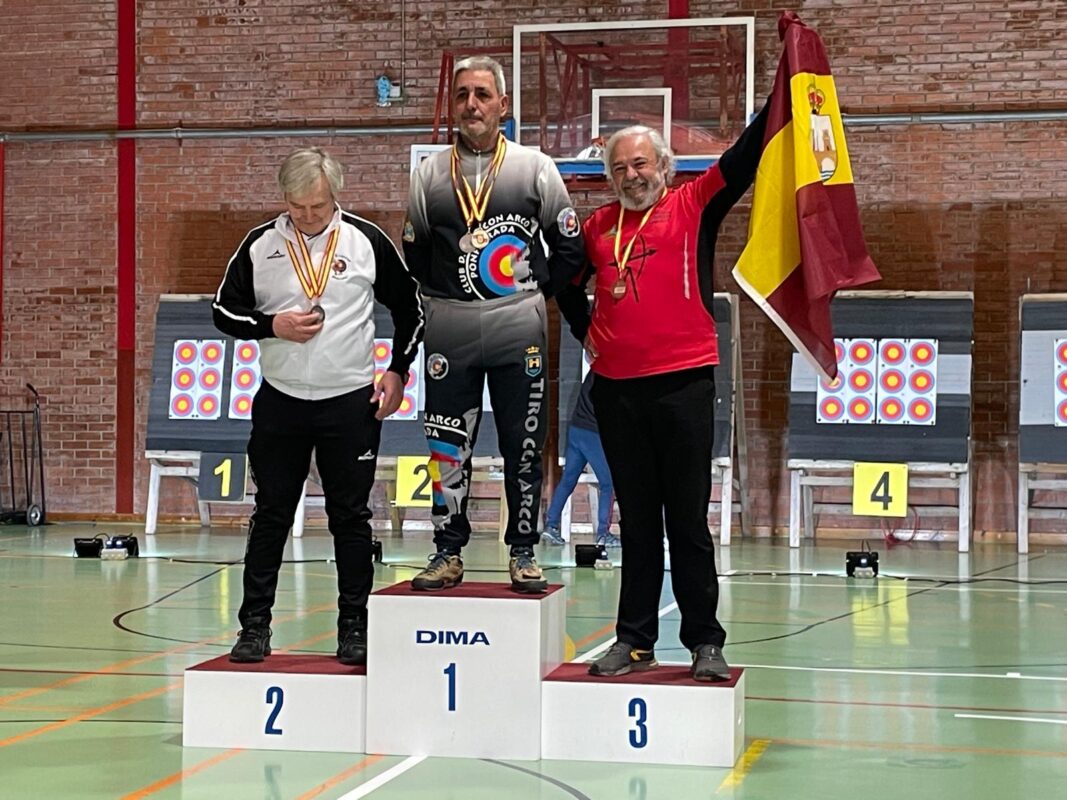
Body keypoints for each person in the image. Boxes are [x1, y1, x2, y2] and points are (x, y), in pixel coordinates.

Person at [556, 106, 769, 681]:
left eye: (641, 163)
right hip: (618, 393)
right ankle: (634, 641)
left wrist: (784, 93)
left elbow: (743, 160)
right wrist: (586, 331)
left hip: (684, 385)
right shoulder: (598, 228)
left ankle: (704, 642)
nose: (631, 175)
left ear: (665, 167)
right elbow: (563, 282)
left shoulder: (694, 204)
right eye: (619, 167)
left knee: (688, 521)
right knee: (639, 522)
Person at [212, 147, 424, 664]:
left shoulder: (366, 241)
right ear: (284, 199)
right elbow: (223, 312)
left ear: (336, 197)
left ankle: (355, 627)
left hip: (350, 402)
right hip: (281, 401)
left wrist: (398, 369)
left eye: (319, 206)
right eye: (298, 205)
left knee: (350, 519)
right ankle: (254, 627)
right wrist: (270, 326)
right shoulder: (260, 245)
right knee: (271, 516)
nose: (308, 216)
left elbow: (411, 307)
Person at [402, 56, 586, 592]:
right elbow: (414, 254)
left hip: (517, 327)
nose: (472, 105)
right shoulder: (429, 174)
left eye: (482, 94)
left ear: (503, 106)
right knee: (445, 445)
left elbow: (570, 248)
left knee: (522, 442)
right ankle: (447, 551)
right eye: (462, 96)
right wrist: (448, 295)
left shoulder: (535, 168)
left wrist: (531, 292)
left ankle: (524, 551)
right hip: (448, 329)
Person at [540, 370, 619, 547]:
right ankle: (603, 534)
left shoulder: (595, 372)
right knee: (609, 483)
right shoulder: (609, 376)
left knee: (568, 481)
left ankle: (551, 525)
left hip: (576, 429)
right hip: (592, 433)